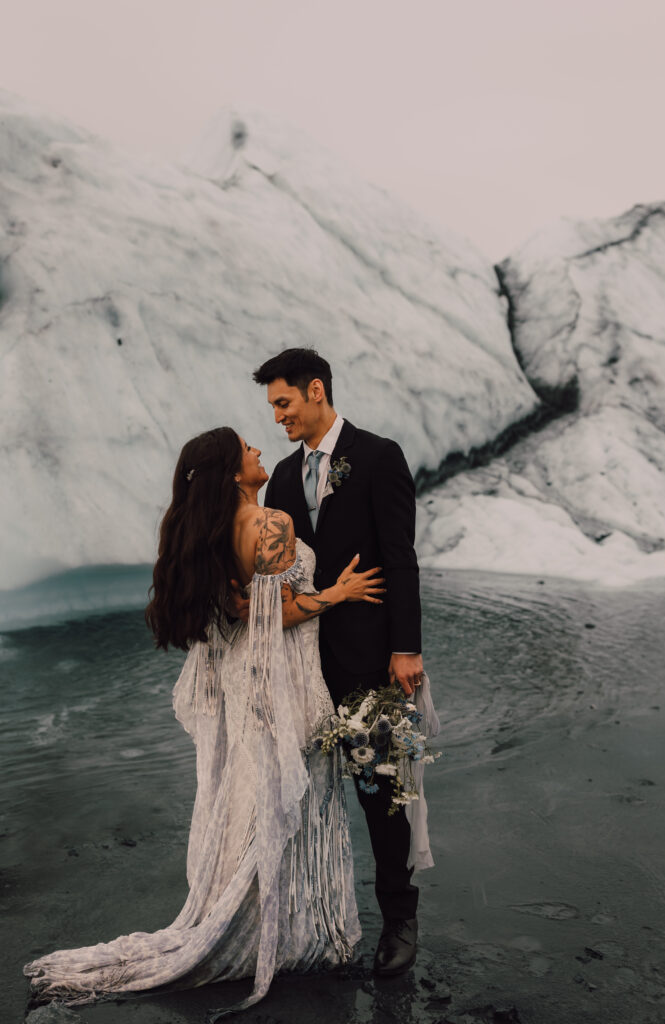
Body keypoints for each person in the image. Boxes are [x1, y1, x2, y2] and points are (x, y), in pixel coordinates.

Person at [24, 426, 385, 1015]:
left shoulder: (215, 533)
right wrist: (338, 594)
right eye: (247, 448)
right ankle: (290, 933)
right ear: (230, 469)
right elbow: (273, 619)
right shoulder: (269, 524)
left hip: (242, 680)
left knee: (253, 798)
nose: (259, 451)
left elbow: (240, 609)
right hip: (280, 678)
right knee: (289, 801)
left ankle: (262, 921)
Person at [250, 348, 434, 978]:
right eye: (273, 406)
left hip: (370, 659)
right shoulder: (279, 475)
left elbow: (400, 557)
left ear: (317, 391)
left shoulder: (380, 458)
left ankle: (399, 921)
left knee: (380, 790)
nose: (278, 417)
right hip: (304, 664)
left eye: (284, 403)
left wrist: (406, 647)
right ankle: (308, 919)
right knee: (301, 797)